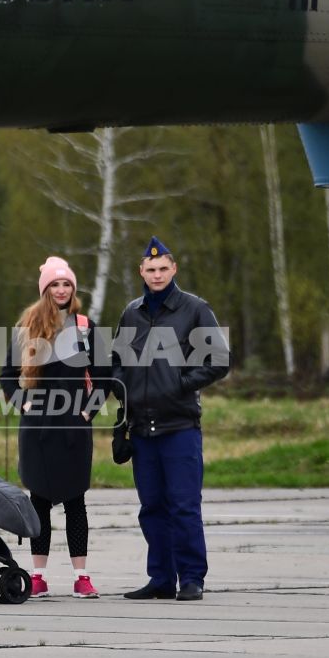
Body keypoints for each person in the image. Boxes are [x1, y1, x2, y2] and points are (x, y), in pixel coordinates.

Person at [110, 237, 230, 602]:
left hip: (179, 427)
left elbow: (219, 360)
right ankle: (160, 578)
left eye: (163, 269)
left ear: (174, 269)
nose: (157, 275)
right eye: (151, 270)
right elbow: (116, 359)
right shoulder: (132, 312)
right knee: (152, 509)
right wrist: (122, 387)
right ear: (141, 273)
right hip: (141, 428)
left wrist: (180, 385)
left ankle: (192, 578)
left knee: (183, 505)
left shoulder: (194, 309)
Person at [0, 255, 105, 599]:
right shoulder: (26, 328)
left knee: (76, 501)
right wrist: (23, 403)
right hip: (38, 432)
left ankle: (82, 577)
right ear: (45, 290)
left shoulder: (86, 328)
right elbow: (7, 378)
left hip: (74, 429)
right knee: (40, 501)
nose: (61, 290)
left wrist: (89, 411)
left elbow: (105, 378)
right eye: (55, 284)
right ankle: (38, 576)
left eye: (67, 284)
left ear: (73, 289)